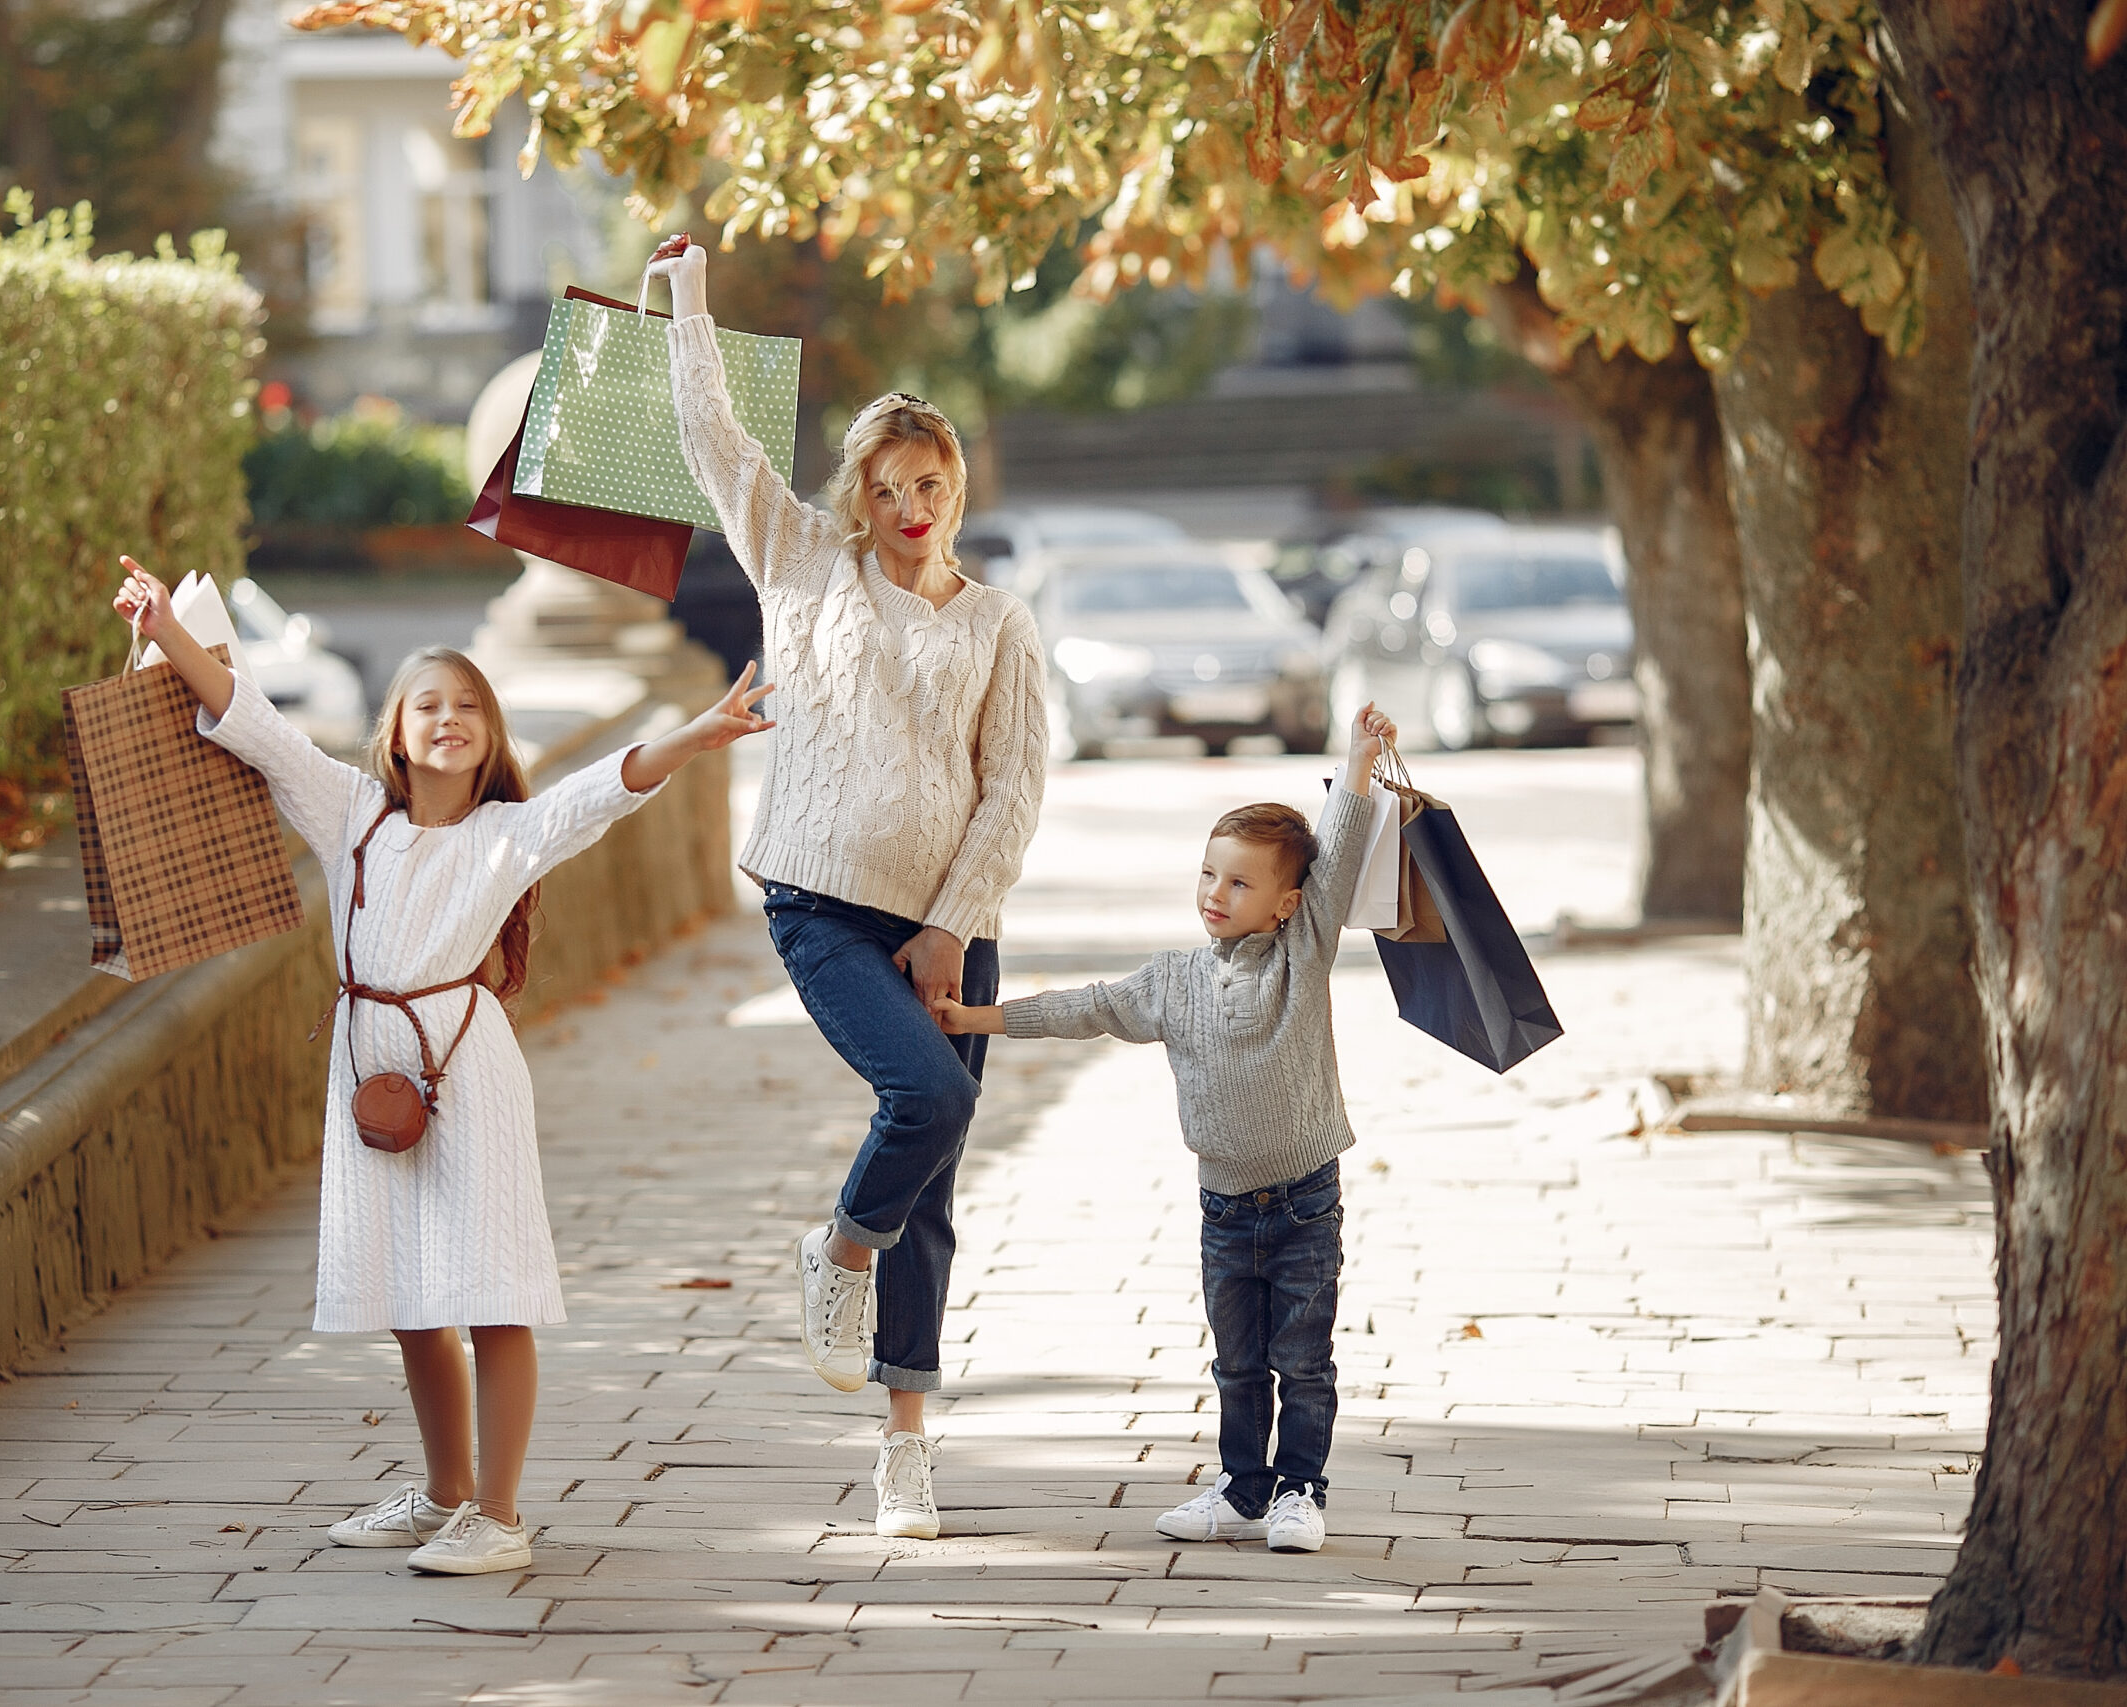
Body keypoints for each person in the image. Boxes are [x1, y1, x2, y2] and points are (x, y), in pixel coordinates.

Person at [111, 556, 772, 1576]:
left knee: (488, 1288)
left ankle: (499, 1515)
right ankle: (442, 1494)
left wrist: (697, 732)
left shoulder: (510, 834)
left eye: (470, 703)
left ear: (490, 736)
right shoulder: (348, 816)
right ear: (397, 731)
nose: (450, 716)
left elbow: (607, 787)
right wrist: (165, 626)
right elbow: (252, 720)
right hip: (367, 1068)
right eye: (429, 702)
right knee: (410, 1292)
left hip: (464, 1072)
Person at [649, 234, 1047, 1540]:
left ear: (955, 484)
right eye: (889, 485)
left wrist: (951, 922)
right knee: (921, 1093)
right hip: (821, 899)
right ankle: (836, 1250)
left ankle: (906, 1444)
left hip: (951, 922)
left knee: (933, 1176)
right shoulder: (802, 563)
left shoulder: (999, 623)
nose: (912, 504)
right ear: (860, 495)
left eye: (931, 481)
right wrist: (689, 305)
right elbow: (713, 442)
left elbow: (1012, 789)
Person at [932, 703, 1401, 1555]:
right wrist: (976, 1017)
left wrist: (1359, 755)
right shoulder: (1172, 980)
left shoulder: (1305, 951)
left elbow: (1339, 841)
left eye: (1240, 883)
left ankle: (1300, 1488)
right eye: (1209, 874)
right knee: (1235, 1361)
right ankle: (1241, 1489)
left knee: (1302, 1359)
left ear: (1288, 904)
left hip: (1304, 1201)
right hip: (1224, 1208)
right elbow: (1086, 1006)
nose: (1216, 895)